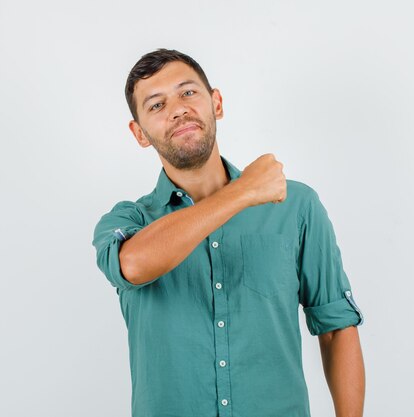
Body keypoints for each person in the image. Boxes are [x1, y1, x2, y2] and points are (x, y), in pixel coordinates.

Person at [91, 48, 365, 417]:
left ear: (216, 103)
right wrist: (242, 192)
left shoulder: (296, 205)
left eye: (188, 92)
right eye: (156, 105)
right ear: (139, 133)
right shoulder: (129, 220)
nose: (177, 109)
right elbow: (134, 266)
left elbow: (336, 328)